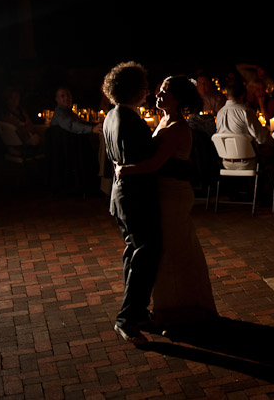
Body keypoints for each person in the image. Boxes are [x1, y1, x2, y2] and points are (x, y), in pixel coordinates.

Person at [116, 75, 217, 332]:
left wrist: (123, 170)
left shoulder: (178, 127)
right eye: (159, 90)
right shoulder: (163, 121)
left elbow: (154, 164)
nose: (158, 95)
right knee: (167, 250)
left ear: (179, 98)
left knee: (173, 250)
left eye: (165, 92)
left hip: (173, 195)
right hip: (163, 192)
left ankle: (179, 311)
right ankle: (170, 306)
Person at [102, 62, 158, 344]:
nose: (147, 91)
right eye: (143, 86)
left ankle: (137, 310)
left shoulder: (112, 115)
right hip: (135, 197)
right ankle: (127, 318)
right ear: (132, 89)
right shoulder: (129, 120)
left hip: (121, 196)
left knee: (133, 253)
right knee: (145, 255)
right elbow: (142, 162)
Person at [47, 87, 103, 197]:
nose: (66, 98)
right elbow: (72, 126)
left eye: (68, 95)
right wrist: (92, 129)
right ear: (57, 100)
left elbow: (79, 122)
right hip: (69, 154)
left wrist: (93, 126)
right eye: (63, 96)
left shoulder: (68, 112)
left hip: (72, 151)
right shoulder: (60, 114)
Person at [215, 81, 274, 171]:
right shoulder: (246, 111)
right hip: (247, 162)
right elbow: (261, 139)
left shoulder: (220, 113)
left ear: (227, 96)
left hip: (225, 162)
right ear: (243, 95)